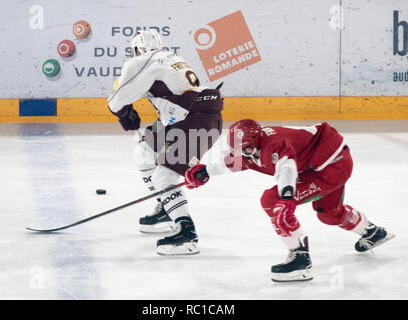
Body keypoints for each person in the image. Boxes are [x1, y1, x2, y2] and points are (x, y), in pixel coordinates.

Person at [184, 119, 394, 281]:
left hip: (331, 168)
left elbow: (287, 168)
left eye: (246, 149)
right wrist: (206, 170)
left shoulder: (274, 146)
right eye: (239, 149)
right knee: (329, 214)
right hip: (328, 161)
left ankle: (300, 256)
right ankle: (373, 232)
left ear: (256, 142)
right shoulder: (252, 146)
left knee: (271, 200)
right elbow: (238, 159)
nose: (243, 153)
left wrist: (286, 198)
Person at [108, 29, 223, 256]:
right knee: (143, 153)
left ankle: (186, 232)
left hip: (193, 119)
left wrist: (124, 113)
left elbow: (115, 101)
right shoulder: (173, 58)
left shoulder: (141, 60)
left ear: (138, 49)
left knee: (165, 175)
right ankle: (166, 208)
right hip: (191, 116)